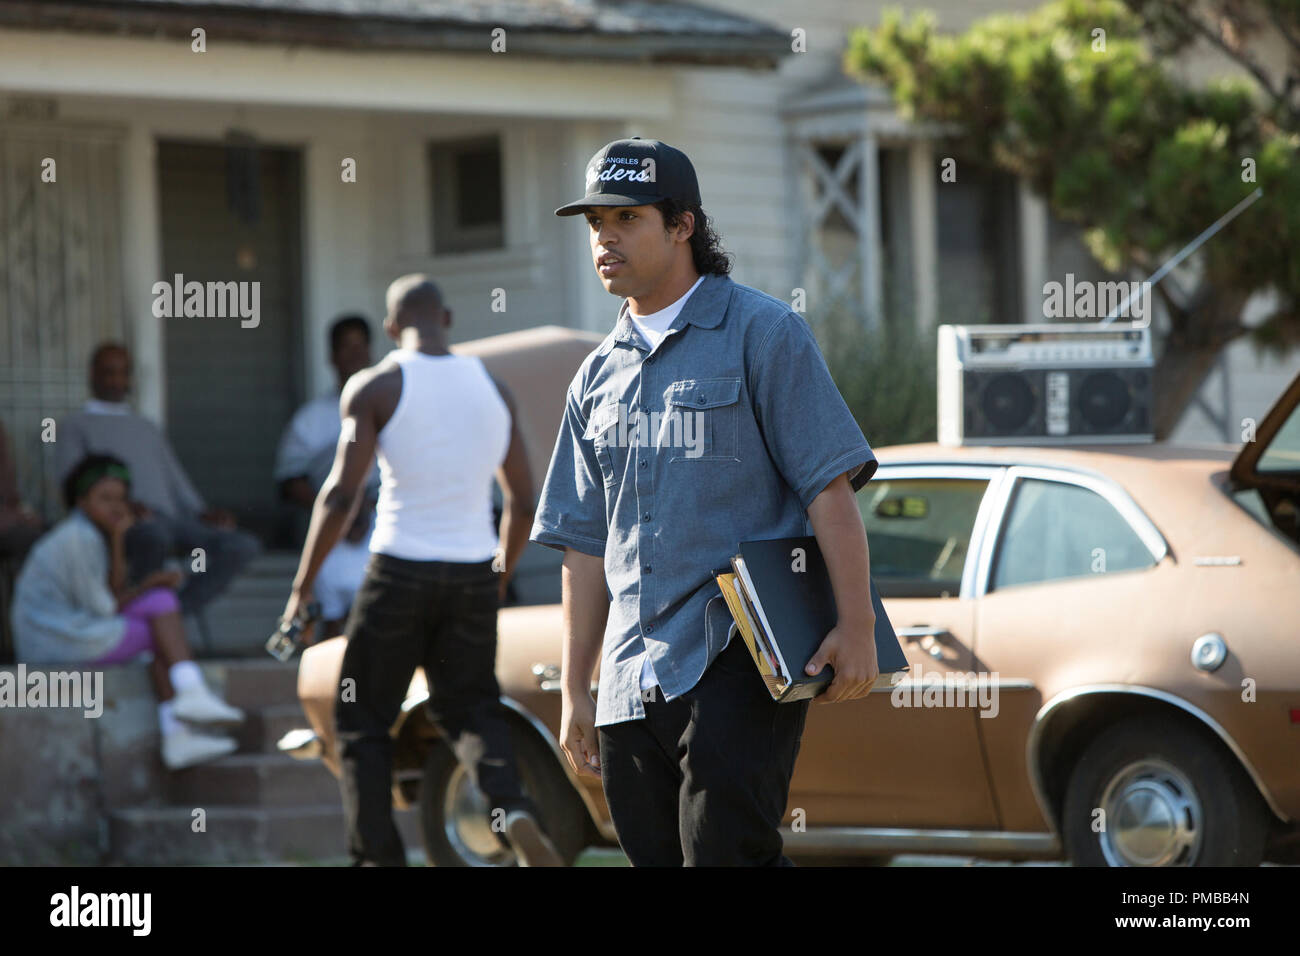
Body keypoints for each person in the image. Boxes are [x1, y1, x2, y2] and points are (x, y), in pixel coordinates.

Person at [530, 138, 881, 866]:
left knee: (727, 851)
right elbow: (583, 545)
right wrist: (575, 689)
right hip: (630, 672)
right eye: (595, 223)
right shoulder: (593, 378)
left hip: (739, 650)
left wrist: (856, 626)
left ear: (682, 225)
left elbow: (828, 487)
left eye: (626, 218)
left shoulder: (764, 332)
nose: (606, 238)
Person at [280, 274, 562, 866]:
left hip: (399, 570)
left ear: (390, 327)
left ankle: (377, 858)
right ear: (449, 319)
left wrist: (302, 588)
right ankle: (511, 807)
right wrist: (497, 577)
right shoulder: (493, 388)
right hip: (470, 573)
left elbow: (339, 496)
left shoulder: (376, 384)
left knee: (362, 720)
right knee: (472, 707)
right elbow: (525, 501)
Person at [11, 455, 245, 769]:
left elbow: (114, 590)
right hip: (55, 639)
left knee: (160, 608)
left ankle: (182, 726)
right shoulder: (76, 539)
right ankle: (187, 702)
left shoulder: (95, 534)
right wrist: (150, 583)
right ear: (81, 502)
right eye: (104, 499)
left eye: (121, 499)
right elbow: (106, 607)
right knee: (158, 621)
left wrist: (120, 538)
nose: (116, 507)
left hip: (77, 629)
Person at [55, 343, 261, 614]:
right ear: (92, 375)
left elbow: (176, 479)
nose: (117, 381)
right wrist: (122, 509)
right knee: (154, 537)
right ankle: (142, 619)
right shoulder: (74, 425)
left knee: (241, 545)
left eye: (123, 373)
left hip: (172, 520)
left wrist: (202, 512)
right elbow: (74, 490)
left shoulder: (146, 426)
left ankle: (173, 614)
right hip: (122, 526)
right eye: (109, 373)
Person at [274, 314, 380, 631]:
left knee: (378, 612)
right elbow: (290, 483)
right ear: (332, 356)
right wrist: (342, 514)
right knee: (333, 618)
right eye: (347, 347)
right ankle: (336, 677)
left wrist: (368, 509)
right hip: (334, 519)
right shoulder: (312, 418)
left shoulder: (391, 406)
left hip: (382, 518)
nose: (356, 354)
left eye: (361, 346)